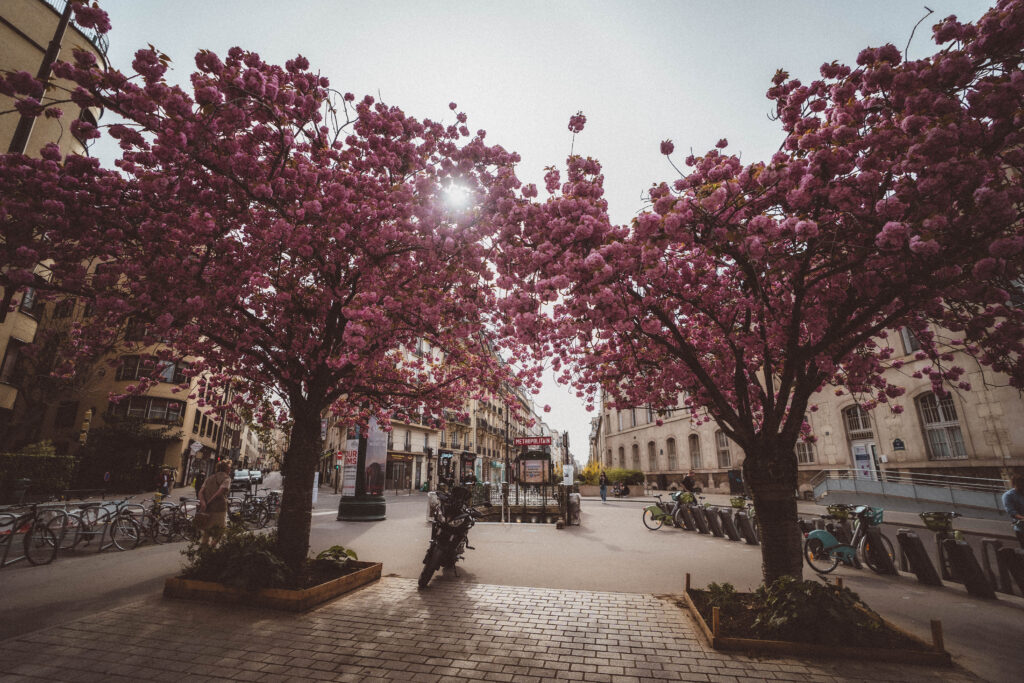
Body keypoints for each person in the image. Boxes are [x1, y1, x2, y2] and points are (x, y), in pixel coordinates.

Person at [198, 461, 231, 547]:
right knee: (220, 531)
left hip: (207, 509)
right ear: (227, 469)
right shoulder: (226, 478)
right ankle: (212, 548)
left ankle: (203, 549)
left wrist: (203, 503)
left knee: (207, 531)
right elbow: (219, 493)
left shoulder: (209, 478)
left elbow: (201, 492)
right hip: (219, 508)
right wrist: (208, 502)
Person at [1002, 473, 1024, 548]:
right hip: (1022, 529)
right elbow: (1012, 512)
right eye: (1021, 485)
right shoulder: (1008, 496)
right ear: (1014, 484)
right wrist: (1022, 518)